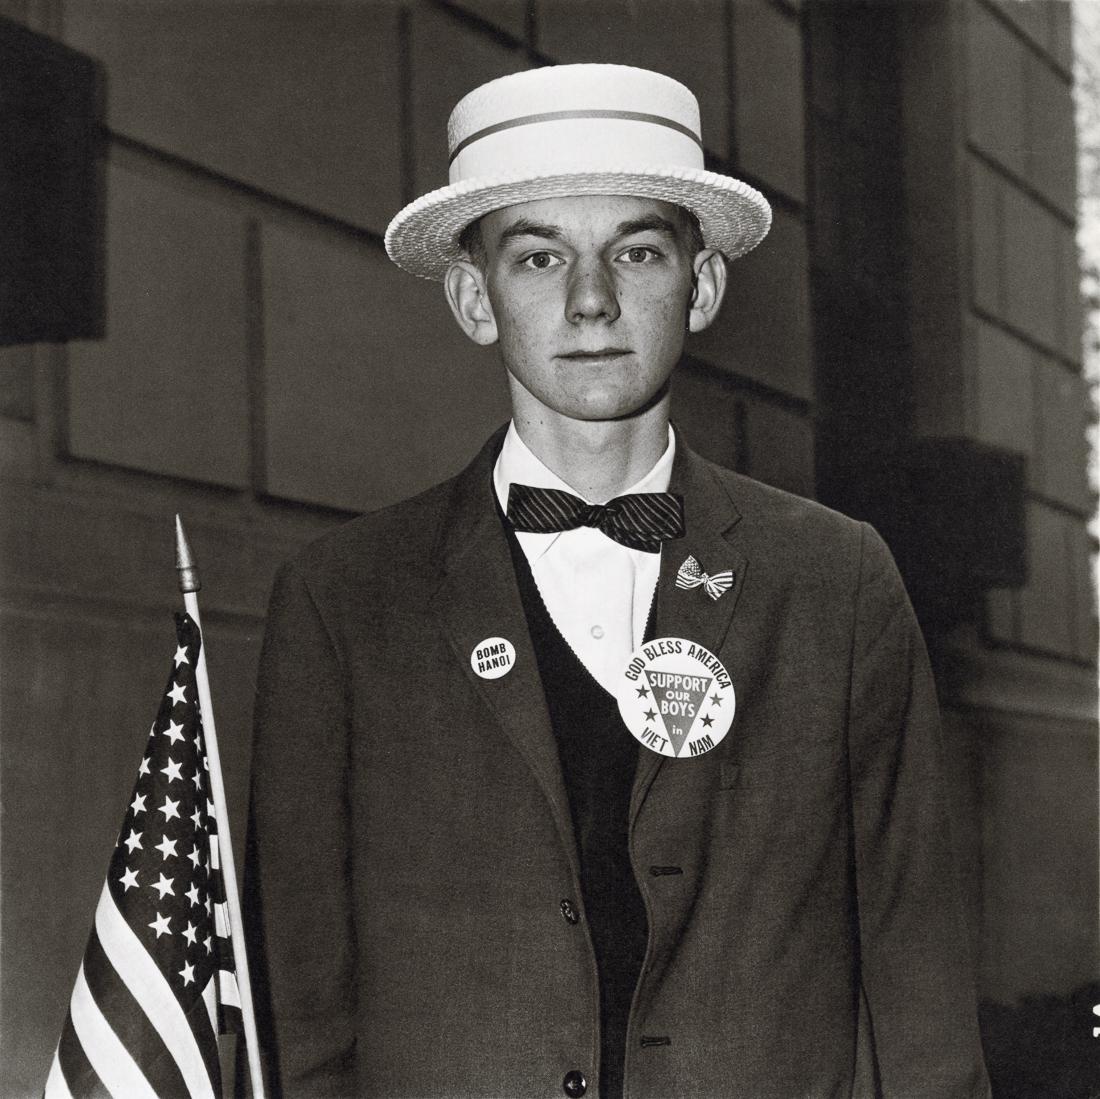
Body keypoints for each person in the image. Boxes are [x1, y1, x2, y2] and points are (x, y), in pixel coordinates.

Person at [244, 64, 991, 1099]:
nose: (590, 299)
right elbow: (300, 1009)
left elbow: (917, 987)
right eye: (538, 255)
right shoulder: (344, 601)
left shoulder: (836, 583)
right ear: (472, 296)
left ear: (703, 283)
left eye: (635, 251)